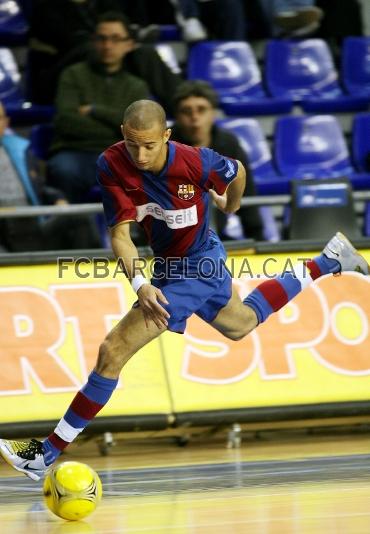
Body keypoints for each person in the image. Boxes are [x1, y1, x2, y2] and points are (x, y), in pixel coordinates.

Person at [0, 99, 368, 481]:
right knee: (240, 323)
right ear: (123, 136)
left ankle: (46, 452)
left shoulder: (196, 161)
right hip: (167, 265)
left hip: (201, 264)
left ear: (166, 136)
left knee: (113, 349)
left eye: (150, 145)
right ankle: (329, 260)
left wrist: (230, 204)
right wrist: (140, 283)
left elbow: (238, 171)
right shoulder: (111, 164)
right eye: (132, 145)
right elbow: (119, 235)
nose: (140, 155)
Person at [47, 11, 150, 203]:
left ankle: (137, 232)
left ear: (129, 45)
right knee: (64, 170)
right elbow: (66, 122)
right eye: (101, 38)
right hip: (75, 152)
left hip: (120, 155)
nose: (107, 45)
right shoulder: (72, 75)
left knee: (149, 169)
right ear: (93, 41)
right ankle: (71, 229)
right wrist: (118, 126)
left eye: (115, 39)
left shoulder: (137, 86)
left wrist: (94, 111)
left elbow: (139, 131)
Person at [170, 80, 264, 241]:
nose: (194, 117)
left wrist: (257, 239)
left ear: (213, 113)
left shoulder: (227, 143)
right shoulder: (165, 146)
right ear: (177, 116)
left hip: (214, 234)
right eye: (186, 111)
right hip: (169, 237)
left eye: (201, 110)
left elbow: (245, 191)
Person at [0, 102, 100, 252]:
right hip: (3, 229)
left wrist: (57, 198)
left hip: (32, 225)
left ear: (6, 122)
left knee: (79, 217)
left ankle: (91, 272)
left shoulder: (20, 150)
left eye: (0, 118)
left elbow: (39, 187)